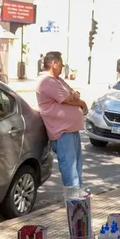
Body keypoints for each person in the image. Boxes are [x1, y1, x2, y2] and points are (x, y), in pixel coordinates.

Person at [36, 51, 86, 187]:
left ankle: (79, 204)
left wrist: (74, 95)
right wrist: (82, 103)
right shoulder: (46, 81)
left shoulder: (58, 80)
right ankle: (75, 205)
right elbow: (67, 98)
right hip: (62, 133)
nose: (62, 67)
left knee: (77, 170)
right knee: (71, 173)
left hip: (71, 130)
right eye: (61, 64)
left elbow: (73, 92)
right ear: (54, 64)